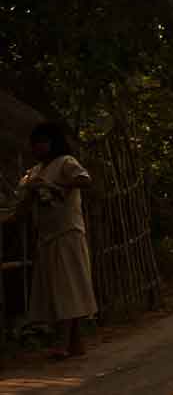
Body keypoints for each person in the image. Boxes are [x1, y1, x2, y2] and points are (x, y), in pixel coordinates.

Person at [17, 122, 97, 360]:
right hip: (48, 236)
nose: (38, 147)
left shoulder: (65, 163)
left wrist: (56, 186)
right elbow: (24, 207)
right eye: (35, 143)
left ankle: (63, 342)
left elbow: (85, 180)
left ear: (52, 142)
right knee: (56, 289)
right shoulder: (34, 172)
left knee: (67, 288)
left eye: (42, 142)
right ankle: (75, 342)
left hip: (68, 233)